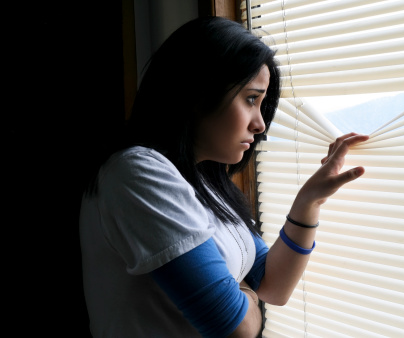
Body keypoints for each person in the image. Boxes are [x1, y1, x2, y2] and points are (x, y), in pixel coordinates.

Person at [79, 16, 369, 337]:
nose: (260, 124)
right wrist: (245, 296)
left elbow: (273, 286)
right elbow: (237, 328)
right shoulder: (139, 174)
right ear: (199, 91)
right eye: (250, 99)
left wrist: (308, 202)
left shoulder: (202, 180)